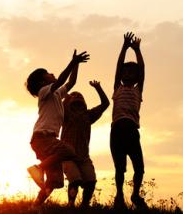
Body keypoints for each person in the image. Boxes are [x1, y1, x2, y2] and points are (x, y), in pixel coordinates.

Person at [26, 49, 90, 205]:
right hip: (43, 137)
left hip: (46, 140)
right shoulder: (44, 92)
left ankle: (35, 206)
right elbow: (61, 80)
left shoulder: (55, 94)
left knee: (55, 181)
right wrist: (72, 62)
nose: (52, 73)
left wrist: (77, 65)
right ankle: (38, 168)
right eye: (47, 73)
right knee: (68, 150)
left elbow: (71, 82)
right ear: (42, 82)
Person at [110, 32, 147, 209]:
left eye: (132, 71)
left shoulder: (138, 90)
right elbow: (118, 67)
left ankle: (135, 195)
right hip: (117, 131)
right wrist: (124, 47)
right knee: (120, 168)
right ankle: (119, 196)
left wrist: (137, 50)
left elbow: (142, 69)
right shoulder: (117, 87)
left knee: (139, 168)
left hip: (132, 131)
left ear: (137, 76)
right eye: (126, 71)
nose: (127, 73)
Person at [61, 80, 109, 209]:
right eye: (74, 96)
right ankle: (70, 204)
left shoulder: (88, 115)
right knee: (75, 180)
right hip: (67, 156)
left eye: (80, 96)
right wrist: (66, 96)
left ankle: (84, 205)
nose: (77, 97)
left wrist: (98, 88)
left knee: (91, 182)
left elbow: (105, 104)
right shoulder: (65, 115)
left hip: (83, 157)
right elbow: (60, 106)